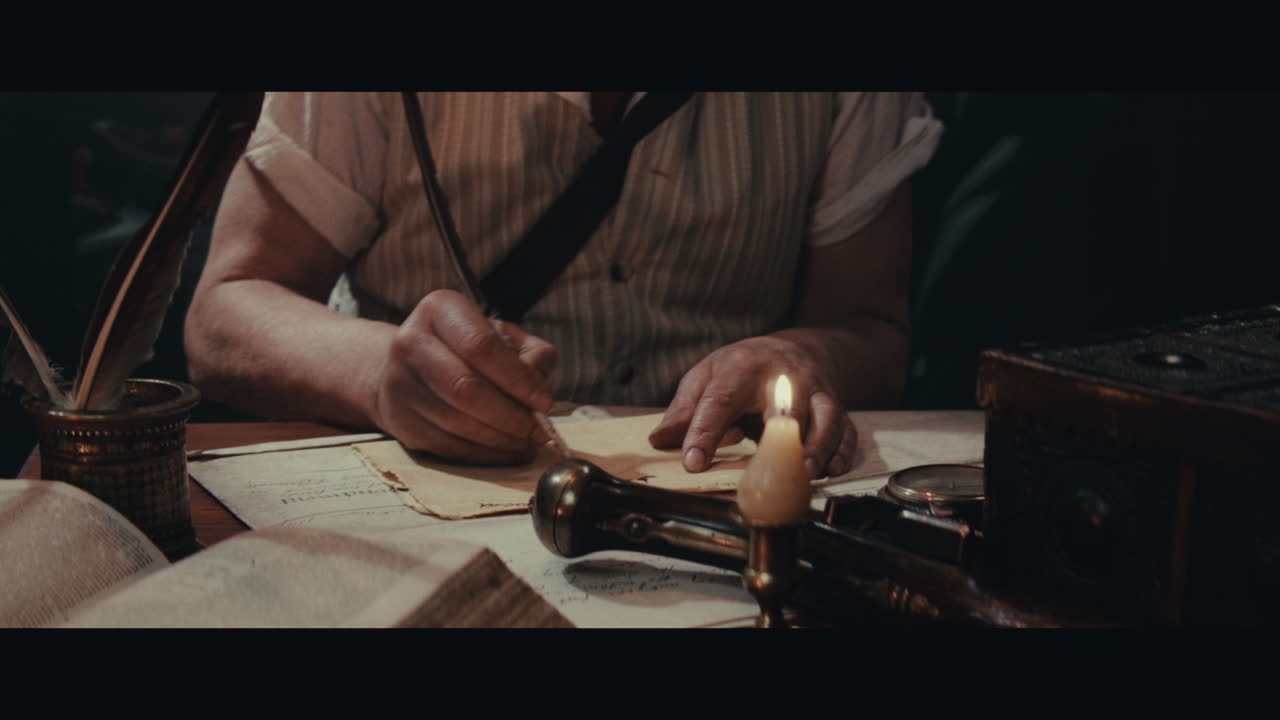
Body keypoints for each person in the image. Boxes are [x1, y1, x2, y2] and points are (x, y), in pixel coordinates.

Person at [184, 92, 941, 479]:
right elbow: (226, 311)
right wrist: (378, 374)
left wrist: (803, 358)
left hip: (730, 517)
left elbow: (872, 328)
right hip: (422, 502)